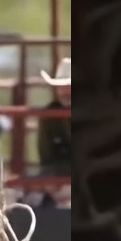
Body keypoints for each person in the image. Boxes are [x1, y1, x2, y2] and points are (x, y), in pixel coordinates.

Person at [35, 57, 71, 207]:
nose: (64, 91)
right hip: (60, 178)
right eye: (60, 86)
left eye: (68, 86)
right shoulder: (49, 114)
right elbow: (47, 156)